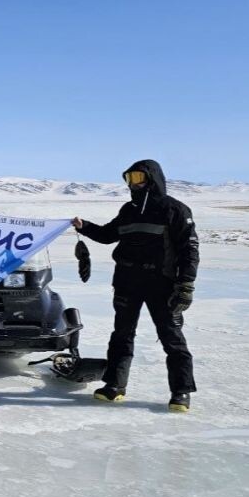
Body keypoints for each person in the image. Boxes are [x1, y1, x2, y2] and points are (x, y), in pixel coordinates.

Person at [72, 159, 199, 411]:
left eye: (138, 178)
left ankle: (181, 392)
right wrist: (84, 227)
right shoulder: (129, 210)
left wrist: (186, 285)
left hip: (162, 284)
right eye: (130, 178)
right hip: (127, 282)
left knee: (172, 338)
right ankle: (114, 386)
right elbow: (109, 235)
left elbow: (189, 251)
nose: (134, 183)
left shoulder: (175, 209)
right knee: (121, 335)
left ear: (152, 178)